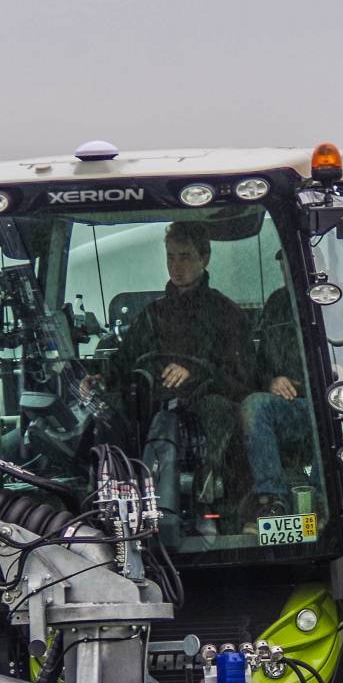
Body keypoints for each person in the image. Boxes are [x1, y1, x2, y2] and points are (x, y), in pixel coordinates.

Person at [115, 222, 253, 527]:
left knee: (218, 413)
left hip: (207, 404)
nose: (176, 266)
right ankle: (113, 492)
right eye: (171, 257)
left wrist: (195, 373)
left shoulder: (227, 314)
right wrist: (99, 378)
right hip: (154, 404)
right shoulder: (151, 315)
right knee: (112, 413)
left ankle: (216, 495)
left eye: (186, 256)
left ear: (205, 258)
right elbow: (123, 364)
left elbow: (243, 380)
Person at [240, 283, 317, 522]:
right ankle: (273, 501)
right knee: (254, 405)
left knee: (329, 415)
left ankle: (322, 502)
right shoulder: (277, 302)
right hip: (288, 406)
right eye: (284, 260)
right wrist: (271, 380)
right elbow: (258, 364)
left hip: (325, 402)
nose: (286, 266)